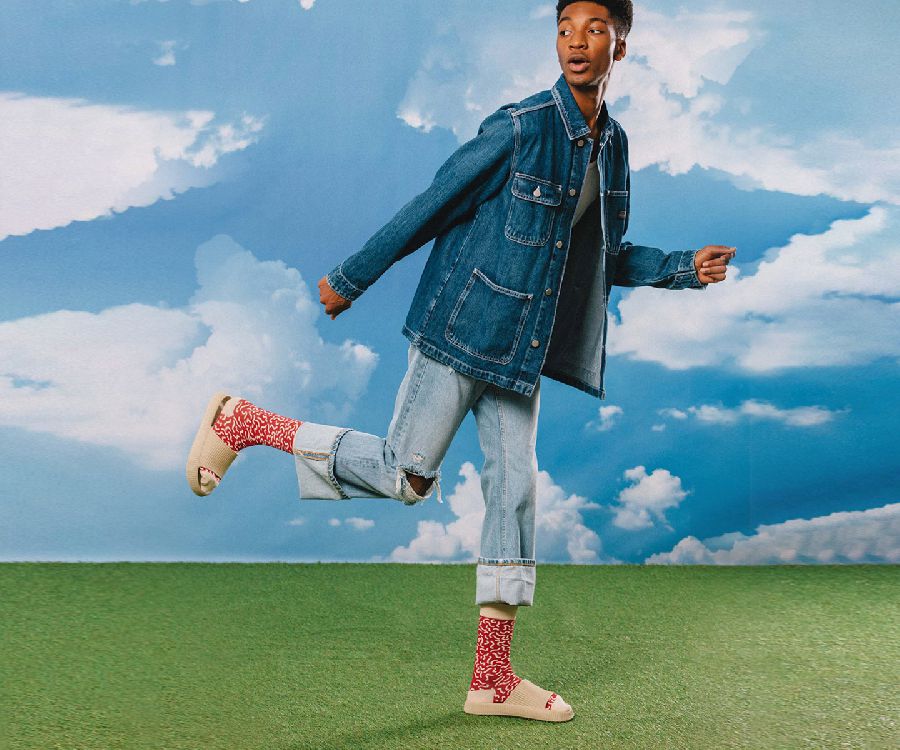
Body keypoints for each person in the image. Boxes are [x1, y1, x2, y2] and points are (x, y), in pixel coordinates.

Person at [185, 0, 734, 722]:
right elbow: (434, 204)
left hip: (522, 350)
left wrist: (683, 268)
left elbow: (602, 255)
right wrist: (353, 277)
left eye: (595, 30)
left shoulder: (614, 147)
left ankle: (493, 679)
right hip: (463, 327)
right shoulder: (521, 126)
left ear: (620, 47)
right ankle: (246, 423)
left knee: (515, 493)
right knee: (405, 476)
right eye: (565, 29)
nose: (576, 42)